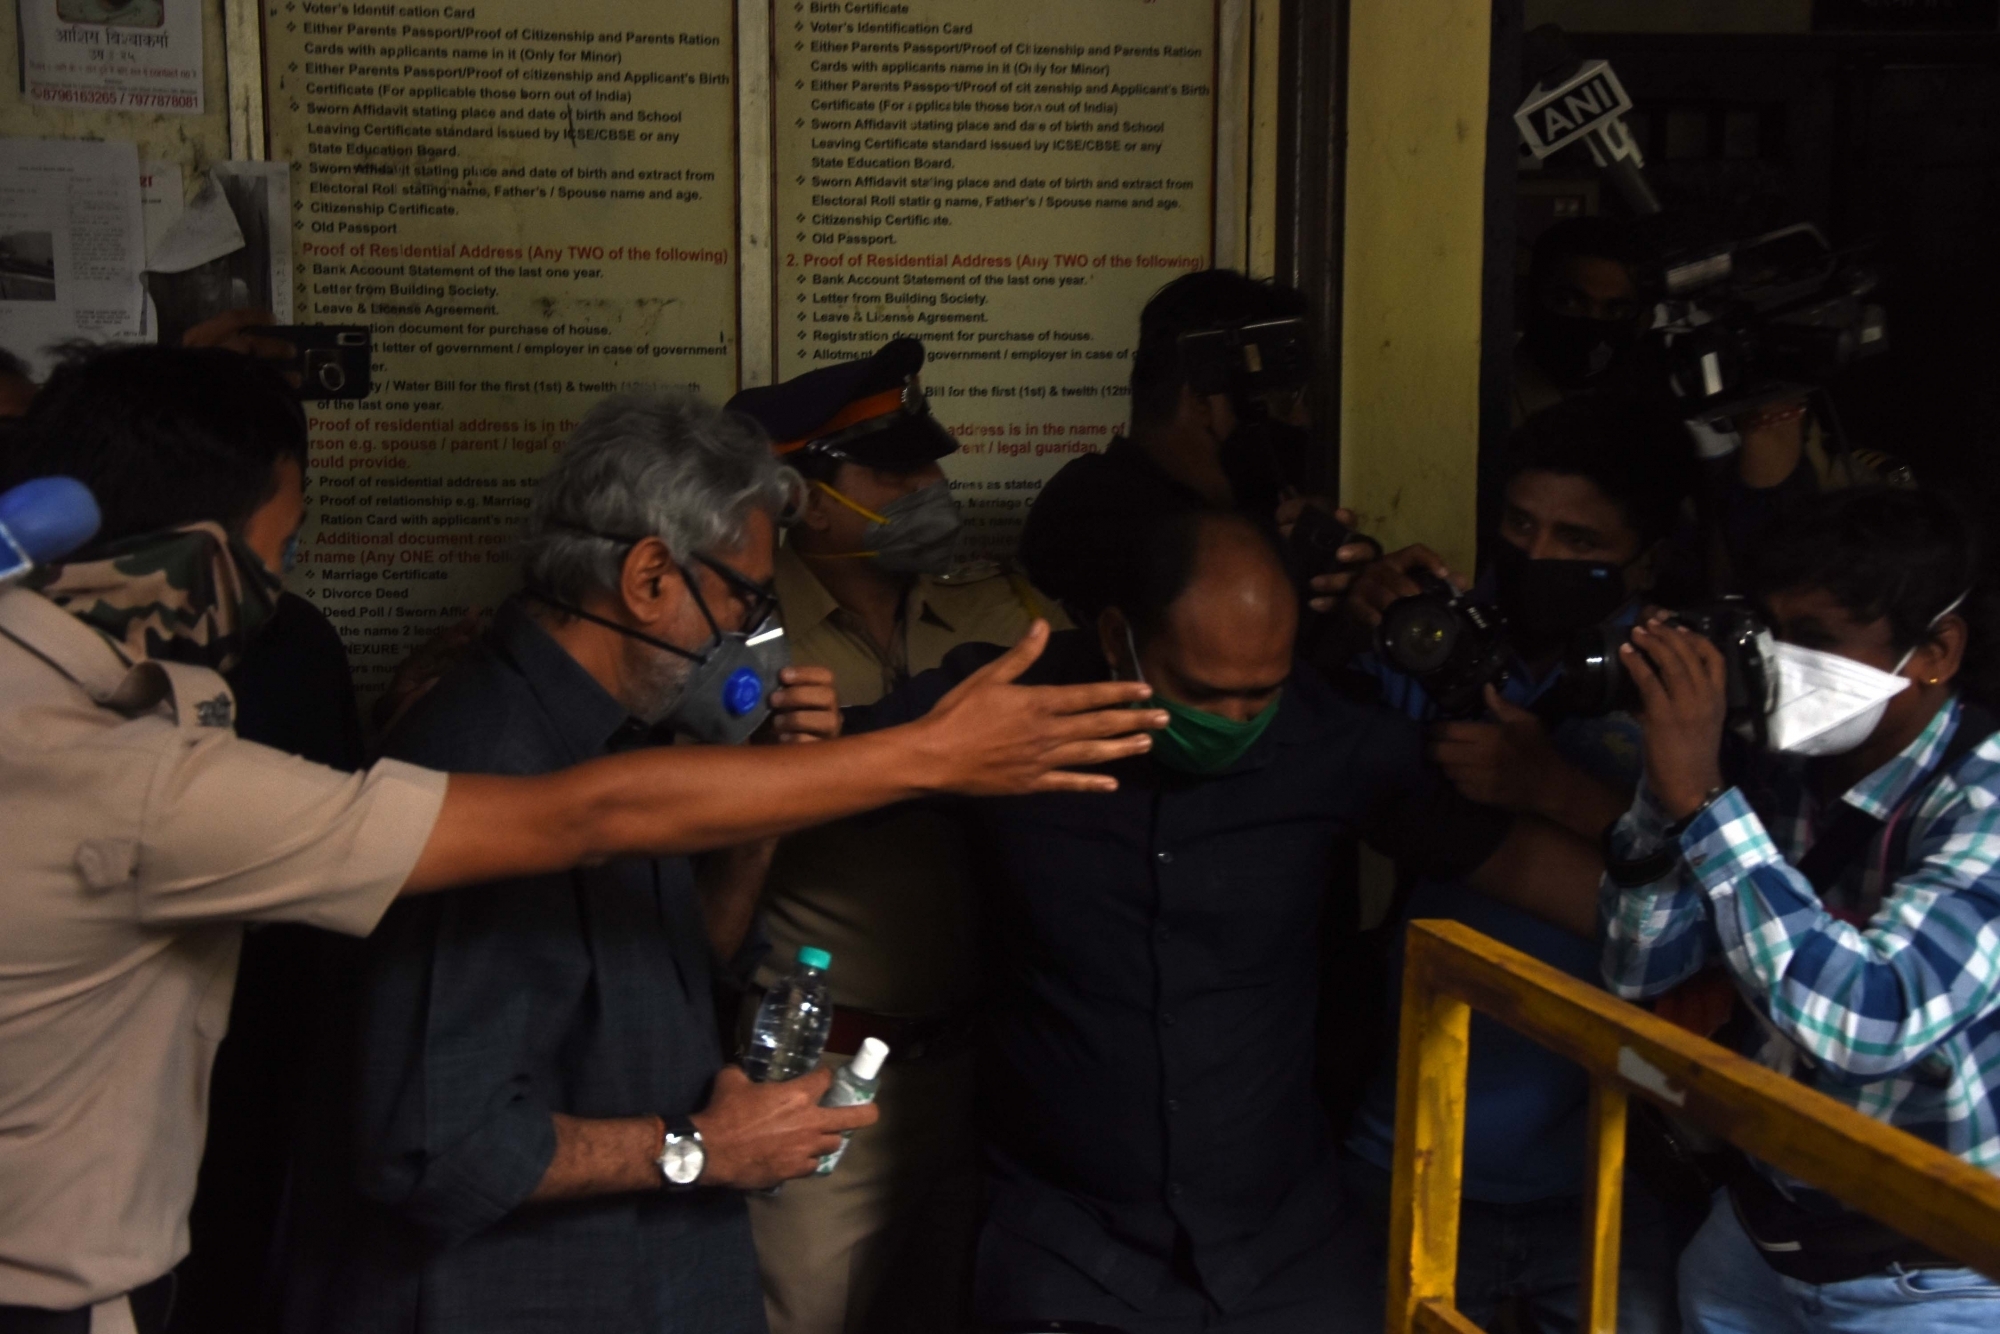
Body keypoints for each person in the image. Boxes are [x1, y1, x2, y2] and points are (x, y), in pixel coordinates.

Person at [0, 347, 1165, 1334]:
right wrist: (701, 1151)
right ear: (650, 575)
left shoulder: (634, 730)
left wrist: (769, 805)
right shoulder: (487, 750)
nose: (758, 635)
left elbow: (677, 957)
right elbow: (433, 1148)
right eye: (747, 600)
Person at [852, 508, 1605, 1333]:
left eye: (1263, 693)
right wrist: (831, 747)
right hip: (1067, 1245)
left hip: (1282, 1249)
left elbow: (1526, 865)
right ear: (1117, 637)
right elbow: (809, 783)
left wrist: (1694, 923)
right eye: (1206, 694)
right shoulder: (1002, 717)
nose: (1239, 722)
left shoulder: (1332, 741)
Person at [1335, 394, 1700, 1334]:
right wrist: (1361, 608)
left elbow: (1732, 899)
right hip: (1411, 1152)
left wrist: (1551, 788)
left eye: (1578, 537)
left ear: (1647, 556)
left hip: (1612, 1177)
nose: (1538, 556)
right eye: (1520, 525)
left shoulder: (1688, 685)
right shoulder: (1450, 642)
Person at [1600, 485, 2000, 1332]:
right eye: (1769, 634)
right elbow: (1639, 966)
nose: (1778, 665)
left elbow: (1870, 1020)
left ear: (1935, 650)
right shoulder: (1777, 766)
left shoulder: (1986, 798)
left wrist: (1707, 805)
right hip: (1762, 1232)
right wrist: (1668, 785)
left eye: (1813, 641)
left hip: (1936, 1274)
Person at [724, 340, 1063, 1334]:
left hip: (976, 1072)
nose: (930, 487)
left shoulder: (1000, 617)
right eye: (893, 472)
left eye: (929, 464)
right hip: (813, 1075)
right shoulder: (741, 643)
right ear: (797, 496)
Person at [1018, 268, 1372, 624]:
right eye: (1283, 400)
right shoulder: (1091, 509)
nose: (1302, 421)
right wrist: (1275, 558)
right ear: (1205, 400)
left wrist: (1347, 581)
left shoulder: (1242, 508)